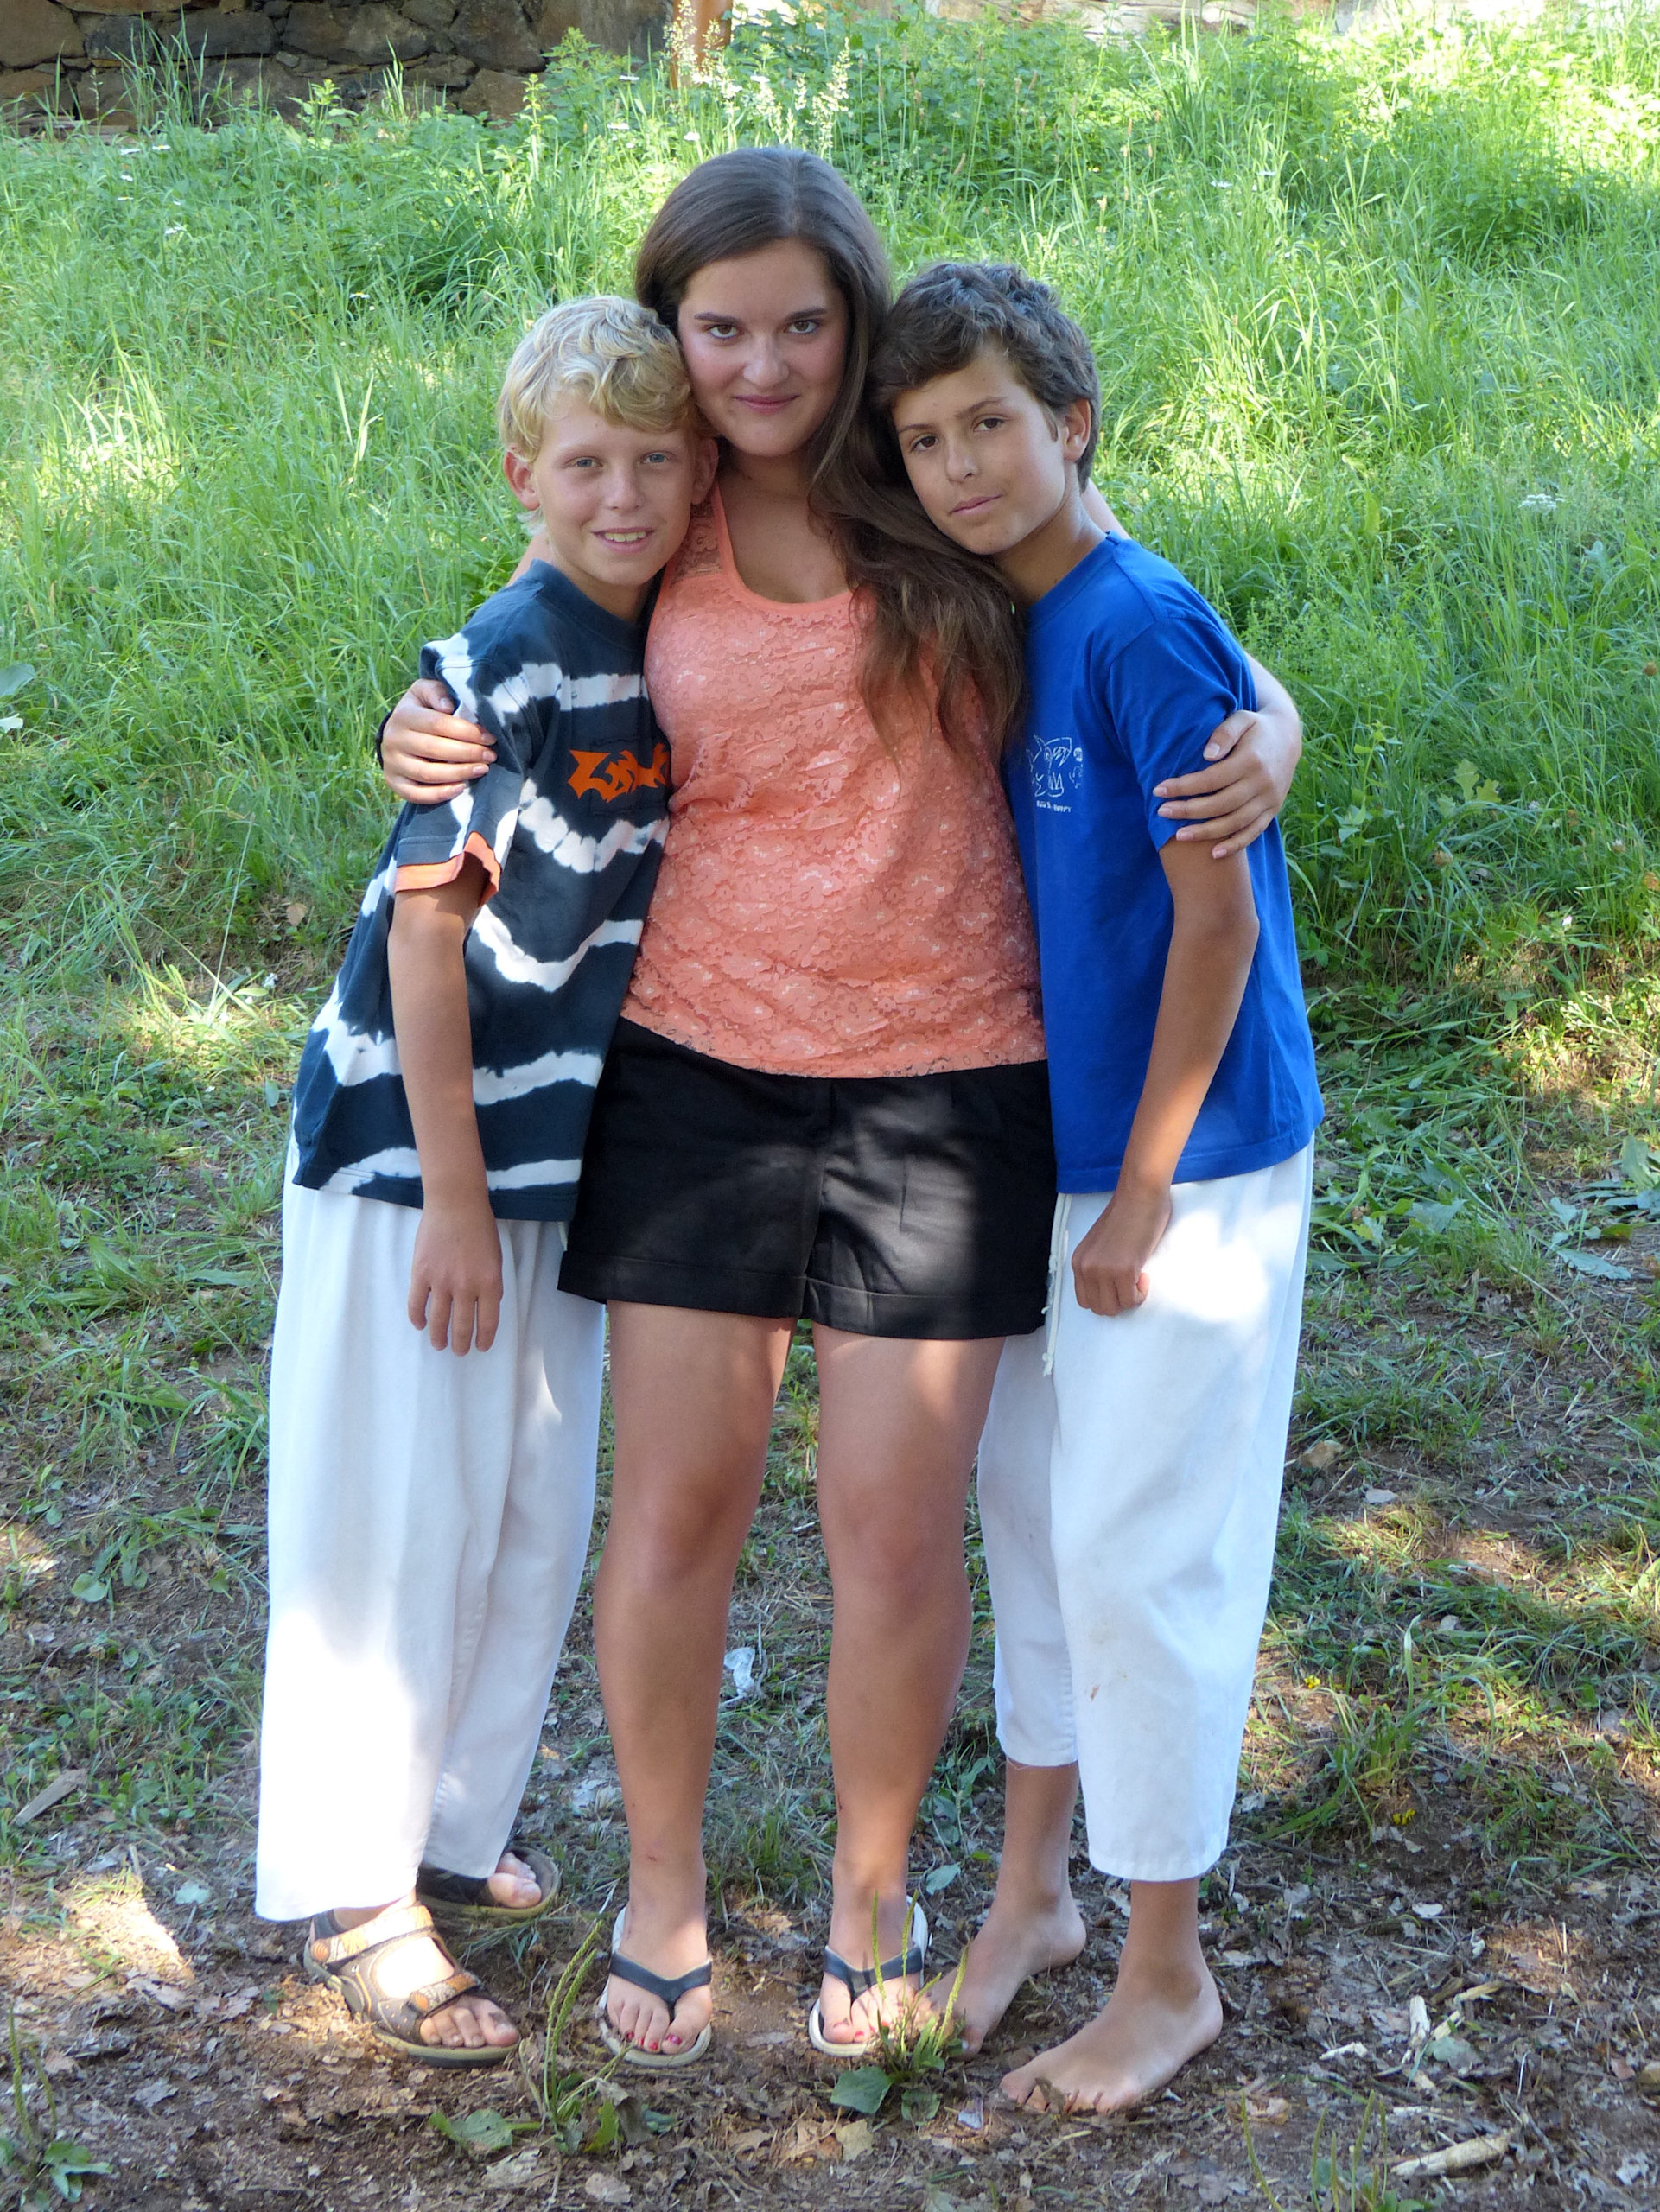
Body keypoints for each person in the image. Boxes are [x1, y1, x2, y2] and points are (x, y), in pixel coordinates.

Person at [378, 147, 1307, 2069]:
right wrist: (419, 723)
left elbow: (1140, 601)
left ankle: (872, 1894)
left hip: (948, 1085)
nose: (764, 365)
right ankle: (660, 1893)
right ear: (675, 329)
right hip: (699, 1070)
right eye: (722, 328)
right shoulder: (666, 498)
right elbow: (522, 619)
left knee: (893, 1532)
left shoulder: (927, 479)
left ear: (853, 321)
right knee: (678, 1513)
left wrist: (1273, 730)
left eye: (803, 323)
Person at [871, 260, 1323, 2111]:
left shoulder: (1130, 619)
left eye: (991, 423)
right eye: (925, 440)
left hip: (1183, 1160)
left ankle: (1166, 1971)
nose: (961, 466)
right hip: (1039, 1151)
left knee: (1146, 1551)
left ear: (1072, 424)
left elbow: (1216, 928)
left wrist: (1141, 1192)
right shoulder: (1002, 598)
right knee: (1041, 1527)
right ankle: (1035, 1896)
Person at [256, 297, 715, 2065]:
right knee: (390, 1514)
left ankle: (449, 1824)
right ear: (521, 472)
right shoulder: (496, 667)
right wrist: (451, 1193)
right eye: (585, 463)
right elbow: (424, 938)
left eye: (656, 460)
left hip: (552, 1161)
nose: (624, 494)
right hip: (415, 1159)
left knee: (524, 1503)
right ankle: (351, 1888)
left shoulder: (666, 635)